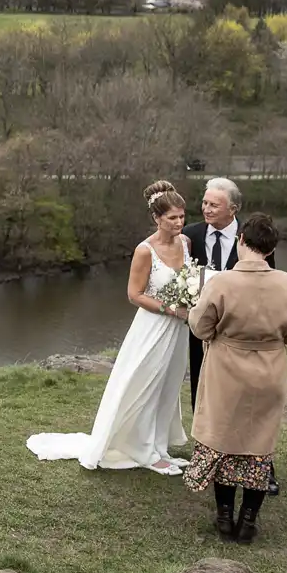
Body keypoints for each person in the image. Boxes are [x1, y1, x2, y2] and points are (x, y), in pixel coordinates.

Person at [27, 181, 194, 474]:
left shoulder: (186, 243)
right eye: (172, 217)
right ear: (157, 218)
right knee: (145, 385)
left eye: (182, 216)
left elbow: (189, 279)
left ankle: (158, 446)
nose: (179, 222)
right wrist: (171, 308)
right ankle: (143, 451)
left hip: (178, 330)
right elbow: (134, 295)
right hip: (153, 328)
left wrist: (190, 299)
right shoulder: (145, 251)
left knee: (168, 386)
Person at [185, 213, 287, 544]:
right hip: (269, 372)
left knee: (224, 442)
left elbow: (199, 327)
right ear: (270, 250)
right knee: (259, 445)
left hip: (226, 370)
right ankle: (248, 521)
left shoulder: (221, 283)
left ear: (241, 240)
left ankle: (224, 517)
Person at [182, 177, 272, 414]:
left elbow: (266, 280)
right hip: (200, 327)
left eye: (214, 205)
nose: (206, 209)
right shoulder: (189, 235)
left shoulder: (252, 237)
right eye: (204, 203)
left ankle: (234, 439)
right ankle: (201, 436)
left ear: (233, 209)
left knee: (236, 388)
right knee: (200, 381)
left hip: (239, 329)